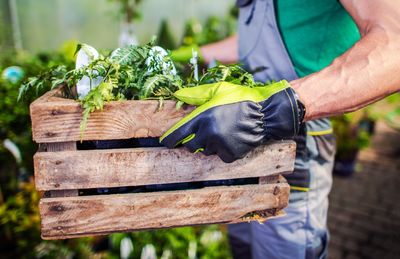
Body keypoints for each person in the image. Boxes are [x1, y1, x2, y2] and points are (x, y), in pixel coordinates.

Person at [162, 0, 400, 258]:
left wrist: (271, 110)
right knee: (244, 247)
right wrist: (193, 53)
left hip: (292, 141)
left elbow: (394, 45)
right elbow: (256, 41)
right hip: (238, 140)